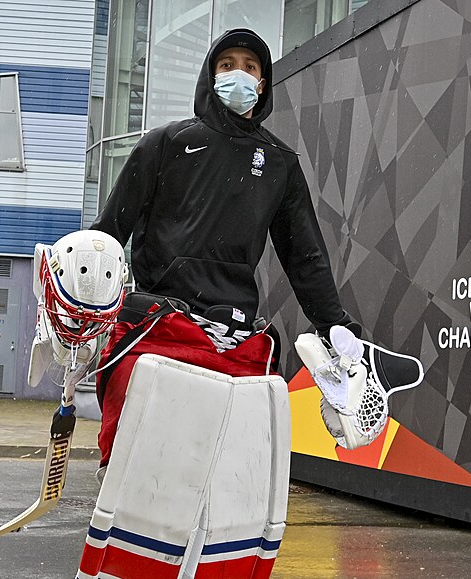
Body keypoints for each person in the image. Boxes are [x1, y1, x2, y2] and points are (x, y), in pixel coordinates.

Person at [89, 28, 357, 468]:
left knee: (233, 467)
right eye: (227, 65)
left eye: (250, 68)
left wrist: (334, 325)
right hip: (157, 323)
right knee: (141, 460)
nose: (239, 75)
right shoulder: (165, 144)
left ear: (263, 84)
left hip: (234, 335)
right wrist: (78, 300)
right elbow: (108, 233)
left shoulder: (280, 164)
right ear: (211, 74)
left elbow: (303, 255)